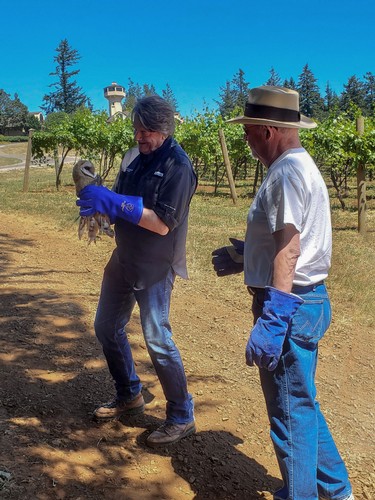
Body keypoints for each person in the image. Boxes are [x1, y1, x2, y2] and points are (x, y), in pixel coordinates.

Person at [212, 86, 354, 500]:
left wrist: (273, 319)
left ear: (270, 131)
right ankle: (337, 490)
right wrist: (247, 256)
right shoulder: (295, 166)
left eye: (249, 131)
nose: (246, 140)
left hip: (291, 305)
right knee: (300, 406)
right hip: (305, 301)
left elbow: (291, 250)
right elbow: (287, 241)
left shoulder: (288, 173)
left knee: (289, 416)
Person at [76, 95, 197, 447]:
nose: (139, 138)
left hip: (155, 266)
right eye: (136, 130)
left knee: (158, 340)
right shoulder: (133, 157)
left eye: (146, 132)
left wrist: (115, 203)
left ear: (164, 129)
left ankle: (181, 415)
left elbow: (161, 224)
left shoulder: (178, 166)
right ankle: (129, 393)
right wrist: (99, 203)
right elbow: (119, 203)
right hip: (124, 257)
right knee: (105, 327)